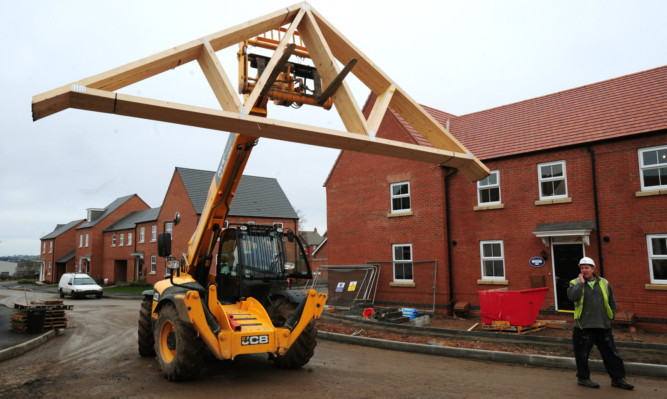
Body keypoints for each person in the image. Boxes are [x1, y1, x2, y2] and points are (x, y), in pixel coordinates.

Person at [567, 256, 634, 390]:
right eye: (582, 268)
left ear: (593, 269)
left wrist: (612, 315)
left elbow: (611, 300)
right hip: (583, 326)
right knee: (582, 355)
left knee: (611, 354)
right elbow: (572, 297)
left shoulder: (604, 282)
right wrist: (581, 283)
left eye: (586, 268)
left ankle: (618, 379)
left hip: (603, 325)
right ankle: (583, 378)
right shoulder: (574, 283)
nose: (584, 270)